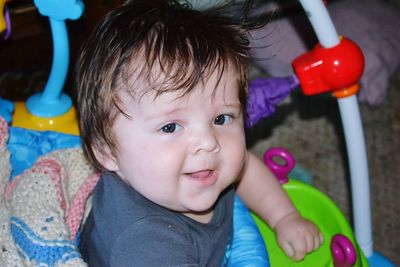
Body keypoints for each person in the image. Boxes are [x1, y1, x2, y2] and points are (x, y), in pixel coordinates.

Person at [75, 0, 323, 266]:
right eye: (170, 127)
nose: (208, 142)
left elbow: (245, 167)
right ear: (107, 150)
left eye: (221, 118)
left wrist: (284, 217)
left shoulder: (193, 169)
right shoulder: (147, 248)